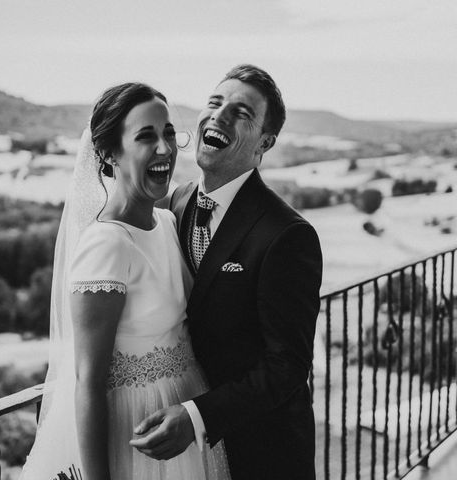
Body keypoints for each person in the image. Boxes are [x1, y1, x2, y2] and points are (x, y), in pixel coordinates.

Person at [19, 83, 230, 480]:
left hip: (180, 422)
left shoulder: (166, 223)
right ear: (108, 154)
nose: (166, 148)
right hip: (130, 435)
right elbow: (87, 381)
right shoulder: (107, 245)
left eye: (168, 132)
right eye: (146, 136)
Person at [130, 65, 323, 479]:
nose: (219, 116)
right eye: (214, 103)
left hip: (264, 451)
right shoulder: (175, 203)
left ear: (264, 143)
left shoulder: (287, 235)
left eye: (241, 113)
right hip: (186, 456)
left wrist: (198, 416)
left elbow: (286, 366)